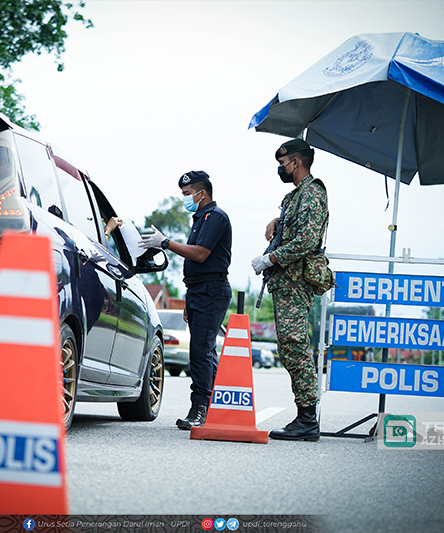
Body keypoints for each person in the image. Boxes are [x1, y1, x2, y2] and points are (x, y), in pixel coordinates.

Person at [139, 170, 232, 430]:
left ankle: (200, 408)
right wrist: (190, 299)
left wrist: (166, 243)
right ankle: (211, 405)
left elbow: (200, 254)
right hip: (198, 291)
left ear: (202, 193)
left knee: (200, 350)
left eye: (187, 194)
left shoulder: (215, 217)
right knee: (204, 349)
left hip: (211, 290)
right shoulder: (200, 218)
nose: (185, 198)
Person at [251, 138, 328, 442]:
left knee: (295, 344)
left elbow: (308, 241)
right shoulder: (295, 196)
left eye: (283, 164)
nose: (280, 169)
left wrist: (270, 258)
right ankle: (305, 415)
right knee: (288, 346)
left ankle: (307, 418)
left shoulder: (311, 194)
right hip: (285, 282)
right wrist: (277, 220)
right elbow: (295, 228)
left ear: (296, 162)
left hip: (297, 282)